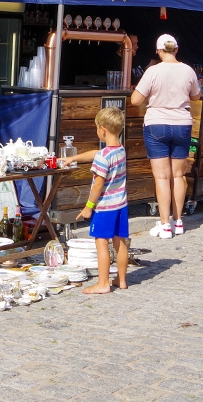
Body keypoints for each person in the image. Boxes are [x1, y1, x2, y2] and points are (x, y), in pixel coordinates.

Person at [130, 34, 200, 239]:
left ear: (159, 51)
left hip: (156, 124)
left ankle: (164, 225)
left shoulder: (153, 71)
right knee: (178, 176)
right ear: (176, 50)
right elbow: (195, 96)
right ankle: (178, 222)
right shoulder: (188, 70)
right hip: (182, 124)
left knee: (161, 176)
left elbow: (135, 100)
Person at [59, 107, 128, 294]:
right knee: (120, 242)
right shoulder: (119, 150)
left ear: (102, 130)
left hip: (104, 207)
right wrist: (74, 157)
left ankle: (103, 283)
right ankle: (121, 280)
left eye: (97, 127)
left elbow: (98, 184)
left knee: (101, 243)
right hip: (121, 205)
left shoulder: (104, 158)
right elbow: (95, 154)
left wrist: (89, 206)